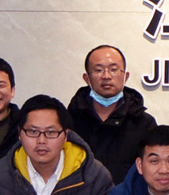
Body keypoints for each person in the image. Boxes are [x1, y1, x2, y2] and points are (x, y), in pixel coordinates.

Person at [67, 44, 158, 184]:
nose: (106, 76)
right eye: (98, 70)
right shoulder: (69, 121)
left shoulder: (144, 123)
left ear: (125, 76)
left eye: (113, 69)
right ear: (86, 78)